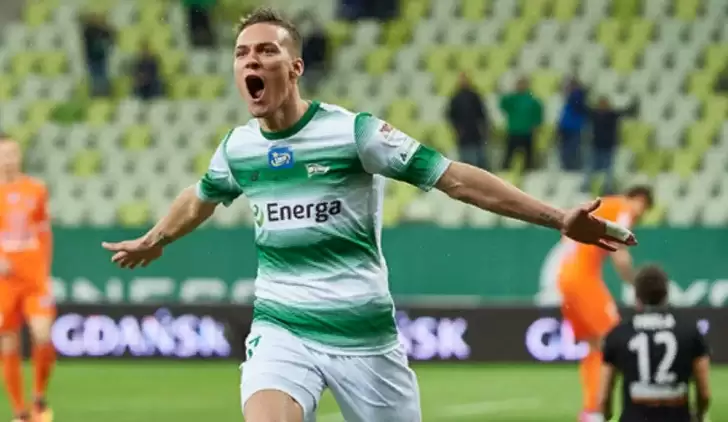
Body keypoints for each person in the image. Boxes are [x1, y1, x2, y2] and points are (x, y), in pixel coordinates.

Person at [101, 8, 637, 422]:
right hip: (282, 327)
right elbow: (201, 195)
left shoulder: (353, 133)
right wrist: (157, 236)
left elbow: (454, 178)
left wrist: (557, 217)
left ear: (295, 67)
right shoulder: (239, 148)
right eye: (242, 53)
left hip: (365, 339)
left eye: (266, 50)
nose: (251, 61)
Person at [556, 185, 654, 422]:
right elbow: (619, 253)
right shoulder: (622, 208)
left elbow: (565, 232)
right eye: (643, 209)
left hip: (565, 276)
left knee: (595, 345)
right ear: (639, 199)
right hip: (583, 277)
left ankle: (591, 410)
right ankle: (599, 409)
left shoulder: (604, 206)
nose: (639, 216)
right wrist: (636, 285)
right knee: (611, 339)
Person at [597, 265, 711, 422]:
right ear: (666, 296)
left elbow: (603, 397)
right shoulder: (690, 333)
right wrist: (699, 414)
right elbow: (704, 393)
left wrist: (606, 415)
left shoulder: (618, 335)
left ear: (636, 297)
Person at [0, 136, 55, 422]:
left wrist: (44, 271)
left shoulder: (36, 189)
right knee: (7, 342)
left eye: (12, 153)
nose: (8, 159)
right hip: (4, 281)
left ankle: (38, 396)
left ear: (19, 156)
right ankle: (20, 412)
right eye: (3, 154)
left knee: (42, 333)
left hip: (33, 276)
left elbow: (44, 233)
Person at [582, 96, 638, 194]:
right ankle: (587, 186)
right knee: (589, 168)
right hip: (596, 146)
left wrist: (633, 103)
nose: (603, 106)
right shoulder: (594, 114)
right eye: (601, 104)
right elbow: (583, 109)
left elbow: (627, 112)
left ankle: (607, 188)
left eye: (604, 104)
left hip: (608, 147)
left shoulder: (612, 115)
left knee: (608, 170)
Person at [447, 72, 489, 170]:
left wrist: (484, 130)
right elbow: (451, 116)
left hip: (476, 134)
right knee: (468, 164)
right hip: (464, 136)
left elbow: (482, 115)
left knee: (481, 163)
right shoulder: (455, 98)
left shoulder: (475, 96)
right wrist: (457, 130)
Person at [499, 77, 543, 171]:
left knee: (529, 158)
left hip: (527, 132)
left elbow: (538, 115)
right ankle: (505, 173)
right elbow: (502, 104)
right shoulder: (512, 99)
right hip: (513, 131)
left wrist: (536, 127)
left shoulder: (532, 100)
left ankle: (529, 173)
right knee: (508, 156)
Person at [80, 13, 114, 97]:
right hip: (92, 57)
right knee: (95, 76)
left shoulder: (102, 30)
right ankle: (96, 93)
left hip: (101, 56)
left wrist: (104, 26)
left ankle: (104, 92)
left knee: (102, 75)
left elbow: (110, 36)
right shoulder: (88, 31)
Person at [557, 78, 588, 171]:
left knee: (572, 148)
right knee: (568, 148)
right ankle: (569, 167)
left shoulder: (576, 97)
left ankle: (571, 167)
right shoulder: (572, 98)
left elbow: (579, 107)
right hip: (568, 126)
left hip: (573, 127)